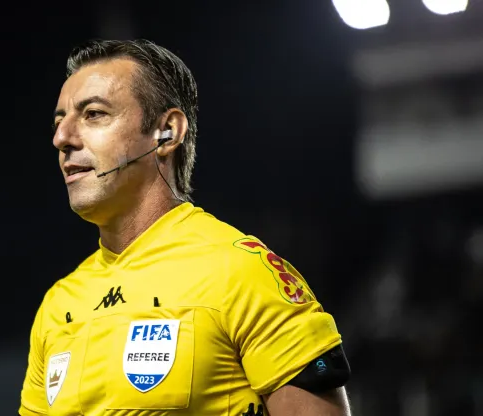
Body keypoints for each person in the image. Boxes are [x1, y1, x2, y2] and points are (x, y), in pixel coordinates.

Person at [19, 39, 352, 416]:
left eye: (94, 114)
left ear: (167, 132)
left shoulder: (241, 273)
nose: (61, 138)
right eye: (59, 121)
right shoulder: (58, 305)